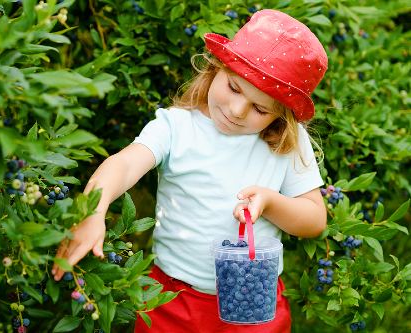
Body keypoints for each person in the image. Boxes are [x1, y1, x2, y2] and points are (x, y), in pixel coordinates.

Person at [52, 9, 328, 333]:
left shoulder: (286, 143)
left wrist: (270, 202)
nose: (237, 111)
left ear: (281, 116)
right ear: (217, 68)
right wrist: (93, 211)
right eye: (234, 88)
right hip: (173, 301)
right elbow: (124, 164)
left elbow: (314, 220)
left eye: (260, 108)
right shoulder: (176, 127)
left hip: (253, 300)